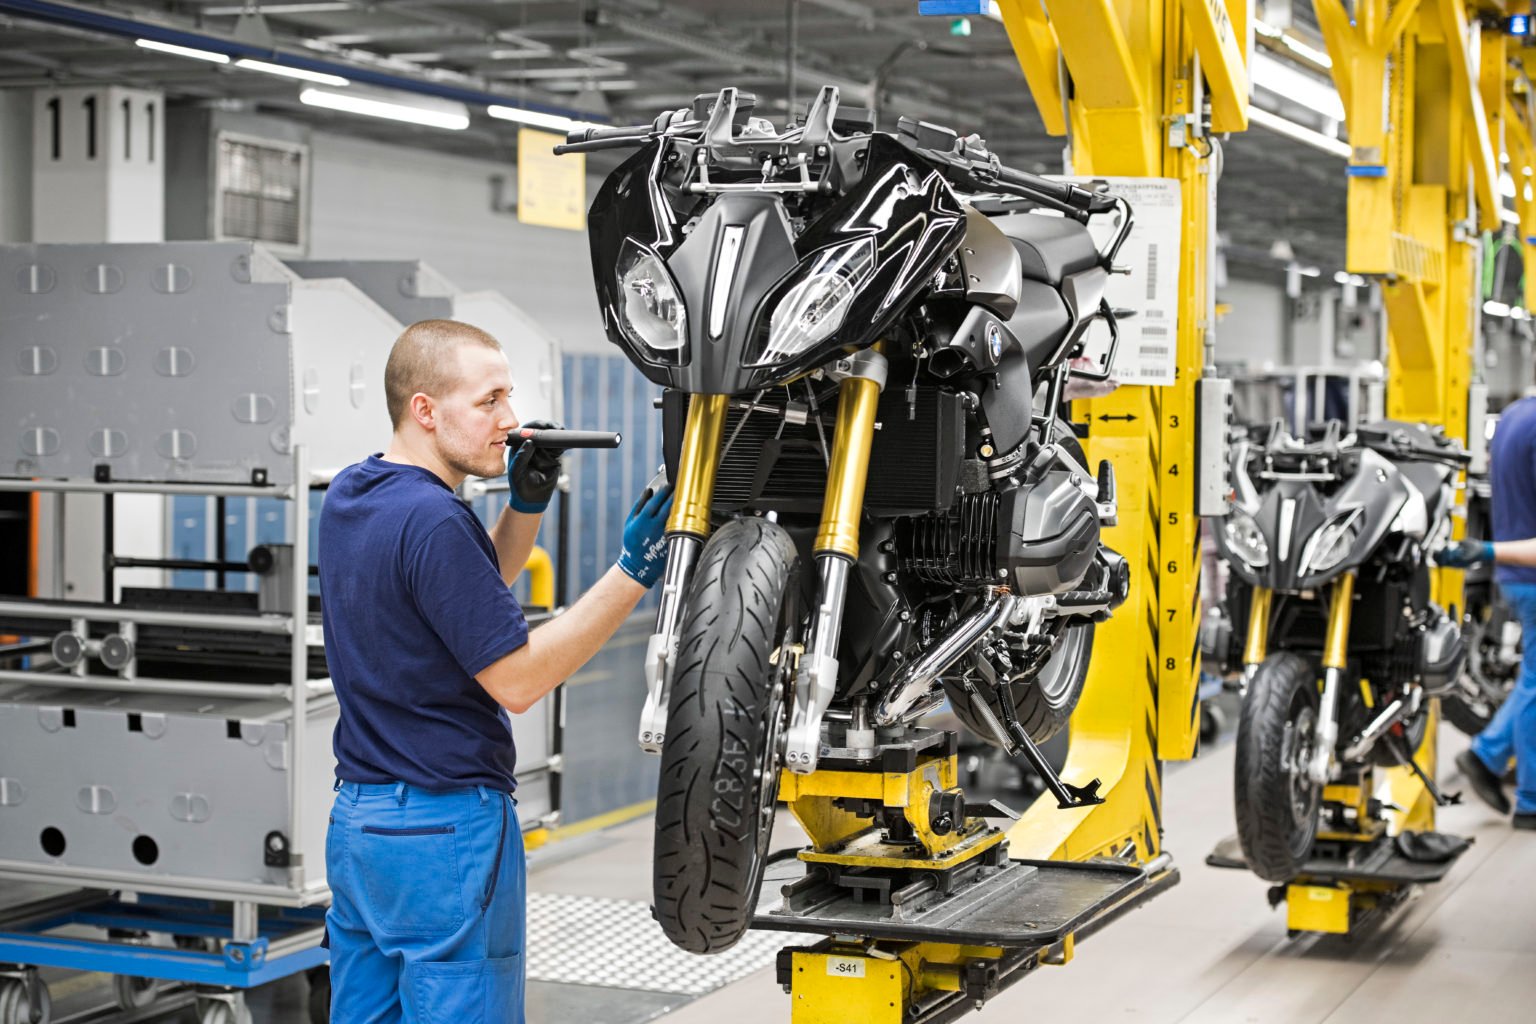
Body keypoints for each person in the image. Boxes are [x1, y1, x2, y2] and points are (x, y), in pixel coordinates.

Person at [317, 318, 673, 1022]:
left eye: (508, 396)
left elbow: (459, 604)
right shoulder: (435, 519)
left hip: (362, 826)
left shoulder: (354, 494)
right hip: (445, 830)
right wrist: (634, 569)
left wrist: (525, 506)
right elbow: (516, 679)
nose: (510, 420)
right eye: (489, 401)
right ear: (425, 409)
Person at [1435, 393, 1536, 831]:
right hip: (1529, 570)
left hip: (1513, 574)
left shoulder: (1514, 415)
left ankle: (1488, 755)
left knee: (1533, 680)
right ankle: (1529, 799)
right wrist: (1490, 551)